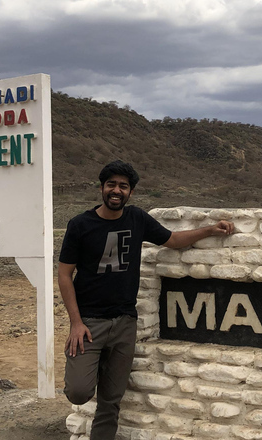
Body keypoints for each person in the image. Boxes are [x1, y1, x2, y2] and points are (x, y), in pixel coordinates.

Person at [58, 160, 235, 440]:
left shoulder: (137, 219)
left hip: (125, 323)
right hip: (89, 324)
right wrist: (76, 323)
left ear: (131, 192)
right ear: (102, 188)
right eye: (111, 184)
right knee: (79, 392)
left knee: (111, 400)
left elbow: (173, 239)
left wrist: (211, 229)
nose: (117, 190)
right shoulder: (80, 224)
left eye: (123, 186)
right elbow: (65, 274)